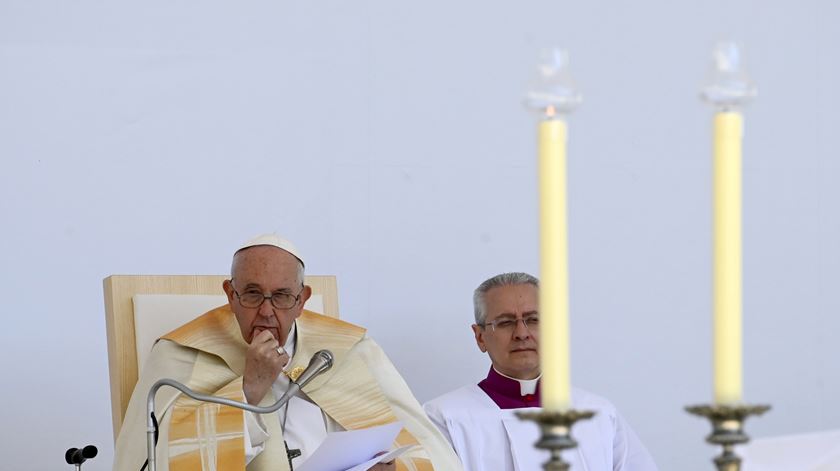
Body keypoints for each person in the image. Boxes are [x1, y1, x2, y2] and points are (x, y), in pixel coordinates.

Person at [114, 234, 462, 471]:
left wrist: (394, 466)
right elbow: (161, 460)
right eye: (251, 294)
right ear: (230, 294)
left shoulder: (347, 350)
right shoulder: (183, 353)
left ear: (302, 299)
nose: (266, 312)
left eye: (281, 296)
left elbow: (425, 448)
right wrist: (249, 391)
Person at [423, 272, 658, 471]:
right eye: (505, 322)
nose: (522, 333)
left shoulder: (598, 414)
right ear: (480, 336)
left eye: (533, 319)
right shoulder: (444, 418)